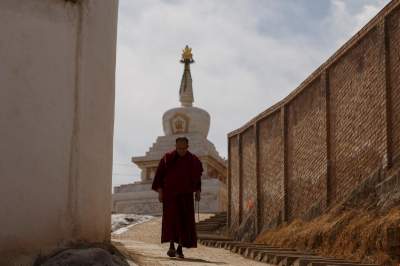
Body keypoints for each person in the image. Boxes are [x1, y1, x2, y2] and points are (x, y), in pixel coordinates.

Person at [152, 136, 203, 259]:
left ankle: (180, 248)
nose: (181, 151)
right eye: (179, 148)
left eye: (183, 148)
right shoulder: (167, 158)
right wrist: (160, 192)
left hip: (186, 196)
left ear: (187, 147)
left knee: (184, 222)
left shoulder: (193, 160)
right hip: (170, 196)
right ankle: (171, 246)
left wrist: (198, 191)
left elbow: (197, 178)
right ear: (176, 147)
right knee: (171, 221)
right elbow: (159, 176)